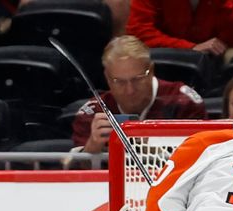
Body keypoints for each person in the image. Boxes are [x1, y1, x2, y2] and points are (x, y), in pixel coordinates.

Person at [72, 35, 207, 154]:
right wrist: (91, 149)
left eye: (137, 79)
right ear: (107, 78)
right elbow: (72, 174)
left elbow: (206, 159)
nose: (129, 90)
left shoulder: (183, 102)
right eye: (119, 81)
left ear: (151, 71)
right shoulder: (92, 113)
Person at [126, 0, 233, 56]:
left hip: (216, 58)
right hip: (166, 59)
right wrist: (189, 48)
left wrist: (223, 3)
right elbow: (138, 32)